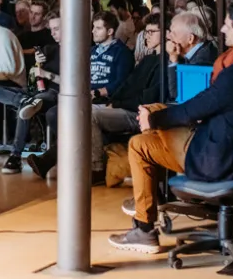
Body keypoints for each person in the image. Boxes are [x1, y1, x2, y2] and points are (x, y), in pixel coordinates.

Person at [108, 2, 233, 253]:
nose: (221, 30)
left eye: (227, 25)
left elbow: (198, 108)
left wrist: (154, 121)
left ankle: (145, 227)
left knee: (139, 144)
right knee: (152, 119)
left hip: (219, 158)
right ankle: (150, 199)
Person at [27, 13, 165, 181]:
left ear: (110, 31)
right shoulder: (147, 59)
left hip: (128, 108)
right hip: (106, 101)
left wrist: (109, 99)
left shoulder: (128, 54)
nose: (146, 36)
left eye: (151, 32)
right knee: (60, 113)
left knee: (82, 116)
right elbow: (127, 86)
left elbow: (130, 89)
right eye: (146, 32)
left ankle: (94, 167)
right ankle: (59, 159)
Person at [4, 12, 63, 175]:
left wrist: (46, 74)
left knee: (31, 103)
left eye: (57, 29)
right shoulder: (49, 49)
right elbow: (35, 76)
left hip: (59, 93)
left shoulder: (76, 51)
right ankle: (29, 101)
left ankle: (15, 155)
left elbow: (73, 84)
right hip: (42, 90)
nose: (53, 33)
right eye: (51, 29)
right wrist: (38, 63)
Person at [167, 11, 218, 101]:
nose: (169, 37)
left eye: (173, 34)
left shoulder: (202, 60)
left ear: (190, 38)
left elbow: (177, 93)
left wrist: (173, 57)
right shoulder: (198, 51)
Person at [90, 12, 135, 103]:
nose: (93, 31)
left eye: (98, 28)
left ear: (110, 31)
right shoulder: (91, 51)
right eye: (93, 27)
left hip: (107, 101)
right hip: (87, 98)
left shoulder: (122, 52)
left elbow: (122, 82)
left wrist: (98, 92)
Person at [18, 0, 54, 66]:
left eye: (37, 14)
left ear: (44, 17)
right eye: (31, 12)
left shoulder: (50, 36)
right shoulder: (21, 36)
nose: (32, 16)